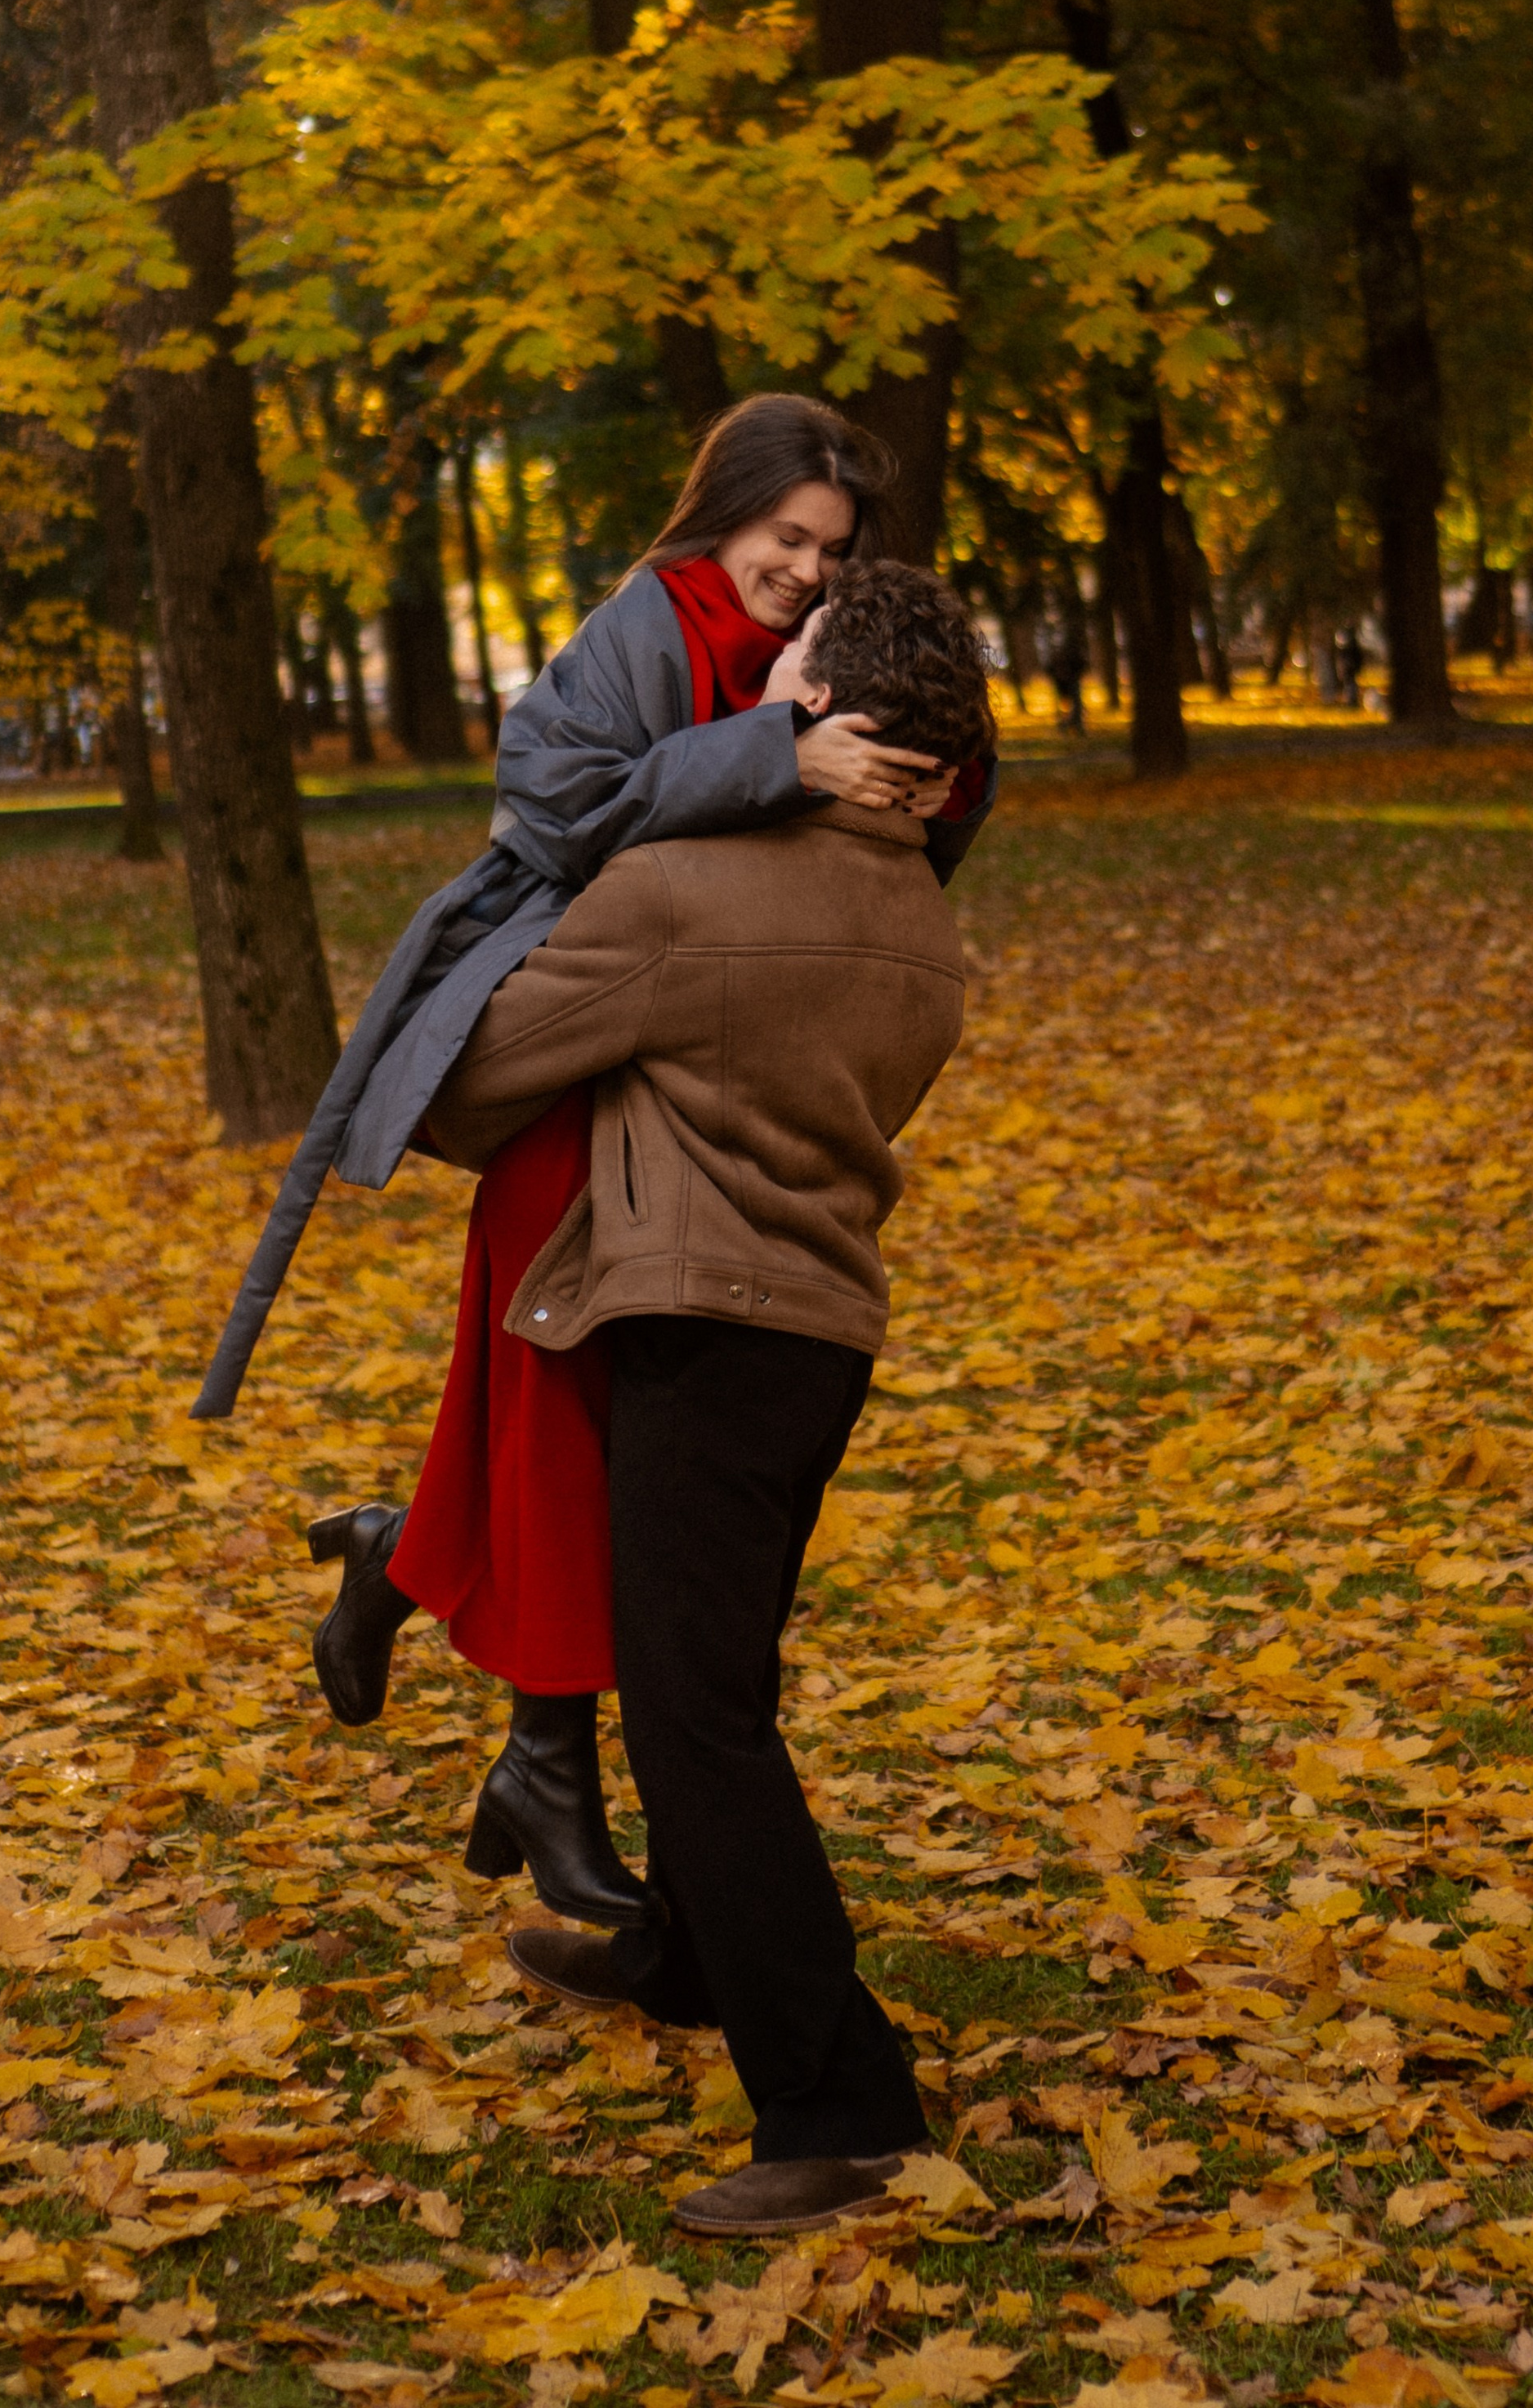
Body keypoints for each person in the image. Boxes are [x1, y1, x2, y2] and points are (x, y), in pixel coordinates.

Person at [201, 397, 990, 1919]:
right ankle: (536, 1750)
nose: (805, 576)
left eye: (832, 554)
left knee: (575, 1438)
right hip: (581, 1046)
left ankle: (420, 1584)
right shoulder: (630, 640)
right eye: (784, 541)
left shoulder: (820, 651)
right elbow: (564, 817)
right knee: (559, 1430)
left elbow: (914, 769)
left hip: (701, 1073)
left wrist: (906, 765)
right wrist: (783, 758)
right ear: (723, 517)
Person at [420, 562, 993, 2240]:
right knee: (709, 1669)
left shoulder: (682, 895)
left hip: (691, 1328)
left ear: (819, 714)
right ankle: (680, 1956)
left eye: (785, 665)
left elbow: (464, 1089)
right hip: (817, 1339)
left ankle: (841, 2106)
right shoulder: (924, 924)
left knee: (694, 1721)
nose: (753, 678)